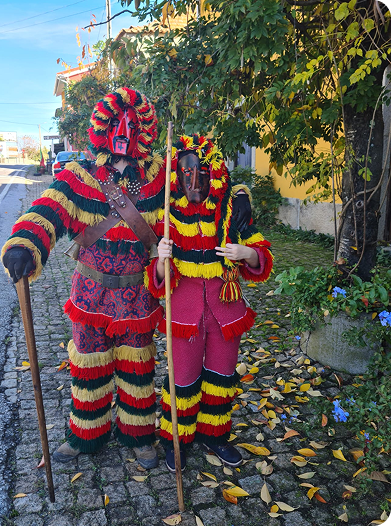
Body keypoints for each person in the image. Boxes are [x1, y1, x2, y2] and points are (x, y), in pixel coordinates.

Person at [2, 87, 166, 469]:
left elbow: (199, 184)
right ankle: (87, 434)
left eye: (131, 124)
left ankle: (139, 434)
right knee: (89, 367)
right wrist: (25, 244)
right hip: (89, 295)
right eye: (116, 123)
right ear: (103, 128)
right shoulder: (80, 176)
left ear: (143, 129)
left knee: (137, 369)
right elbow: (48, 208)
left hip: (137, 296)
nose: (123, 131)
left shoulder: (160, 179)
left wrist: (238, 193)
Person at [144, 134, 274, 472]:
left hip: (225, 306)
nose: (194, 183)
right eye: (187, 174)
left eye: (201, 174)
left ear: (213, 173)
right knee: (183, 377)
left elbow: (261, 254)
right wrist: (162, 259)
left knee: (222, 374)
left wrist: (246, 252)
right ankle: (177, 438)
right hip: (183, 309)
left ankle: (214, 435)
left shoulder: (232, 207)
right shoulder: (167, 211)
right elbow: (156, 277)